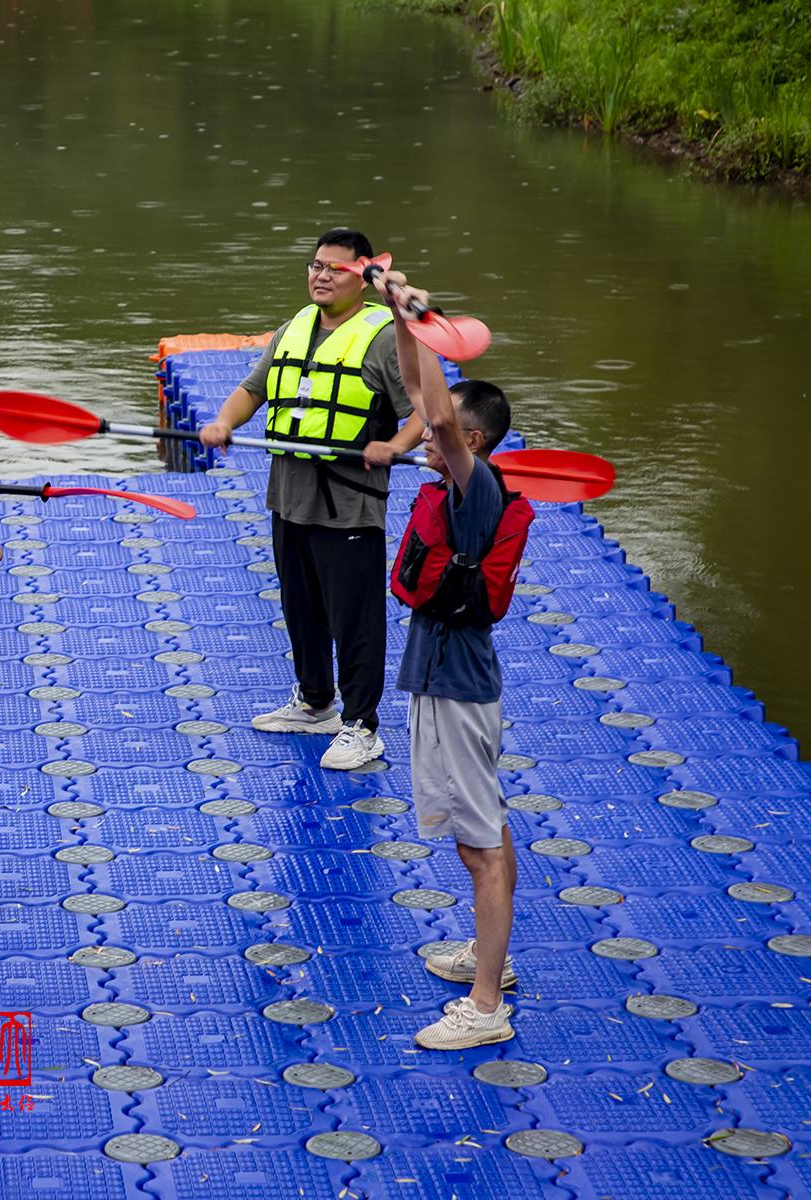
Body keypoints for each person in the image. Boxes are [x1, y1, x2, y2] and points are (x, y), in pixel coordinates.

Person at [372, 269, 533, 1050]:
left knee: (481, 843)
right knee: (481, 834)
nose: (425, 434)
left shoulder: (476, 489)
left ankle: (486, 1006)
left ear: (469, 442)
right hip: (439, 679)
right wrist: (402, 320)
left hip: (463, 691)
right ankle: (487, 959)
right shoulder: (458, 473)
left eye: (441, 432)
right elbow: (422, 393)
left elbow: (434, 409)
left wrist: (416, 315)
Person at [198, 228, 426, 770]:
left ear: (363, 278)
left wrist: (393, 445)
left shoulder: (383, 338)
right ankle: (316, 702)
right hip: (289, 497)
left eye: (335, 268)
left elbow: (423, 410)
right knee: (300, 608)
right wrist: (223, 422)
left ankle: (363, 726)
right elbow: (254, 389)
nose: (320, 275)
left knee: (355, 619)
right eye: (315, 264)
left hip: (349, 503)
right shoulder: (294, 326)